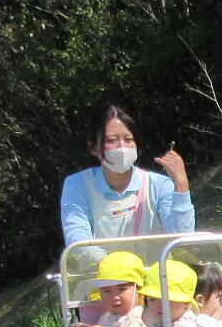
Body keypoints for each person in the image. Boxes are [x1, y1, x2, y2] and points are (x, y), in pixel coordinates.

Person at [58, 105, 195, 247]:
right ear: (93, 147)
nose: (122, 147)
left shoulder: (159, 185)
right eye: (111, 140)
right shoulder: (77, 185)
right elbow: (77, 240)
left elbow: (183, 240)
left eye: (128, 139)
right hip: (102, 268)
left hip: (157, 269)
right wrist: (109, 264)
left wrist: (181, 185)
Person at [74, 250, 153, 327]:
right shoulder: (106, 316)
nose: (114, 297)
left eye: (122, 289)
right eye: (107, 291)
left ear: (137, 289)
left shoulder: (140, 316)